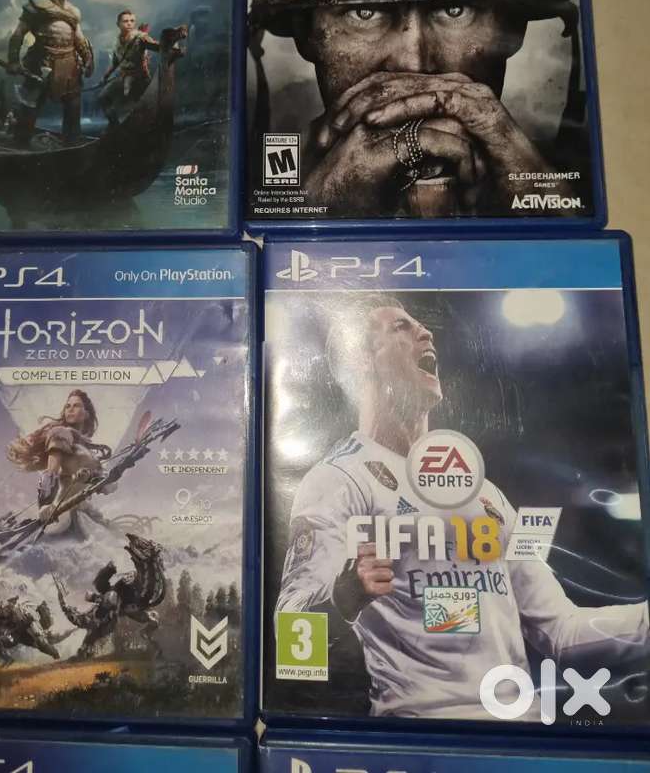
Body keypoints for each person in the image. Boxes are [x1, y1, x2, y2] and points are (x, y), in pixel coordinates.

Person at [275, 298, 648, 719]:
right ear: (360, 360)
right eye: (401, 327)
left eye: (421, 325)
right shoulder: (337, 480)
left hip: (521, 732)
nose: (426, 332)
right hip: (421, 732)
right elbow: (292, 634)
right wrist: (342, 599)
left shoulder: (487, 493)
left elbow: (563, 630)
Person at [250, 0, 591, 218]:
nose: (413, 63)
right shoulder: (248, 183)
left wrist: (550, 211)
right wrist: (311, 218)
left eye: (455, 9)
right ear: (304, 31)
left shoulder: (584, 174)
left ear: (513, 28)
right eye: (364, 12)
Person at [7, 0, 94, 144]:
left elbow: (79, 39)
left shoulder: (74, 11)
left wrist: (88, 59)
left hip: (69, 64)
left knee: (73, 105)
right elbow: (18, 34)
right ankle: (20, 143)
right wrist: (14, 60)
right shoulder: (37, 6)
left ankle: (72, 143)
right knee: (31, 104)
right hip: (42, 61)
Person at [7, 389, 111, 530]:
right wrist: (45, 504)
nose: (70, 409)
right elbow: (51, 472)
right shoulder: (61, 433)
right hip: (61, 513)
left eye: (76, 405)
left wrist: (105, 482)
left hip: (82, 509)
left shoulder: (85, 448)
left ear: (87, 414)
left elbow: (102, 482)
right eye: (68, 406)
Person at [97, 10, 161, 124]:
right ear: (118, 24)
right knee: (103, 98)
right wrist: (105, 77)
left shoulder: (141, 37)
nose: (129, 23)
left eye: (132, 21)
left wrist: (169, 45)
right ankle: (115, 126)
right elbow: (115, 62)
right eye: (125, 21)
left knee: (138, 105)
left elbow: (157, 47)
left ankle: (142, 126)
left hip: (140, 78)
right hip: (123, 76)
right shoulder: (117, 40)